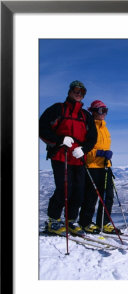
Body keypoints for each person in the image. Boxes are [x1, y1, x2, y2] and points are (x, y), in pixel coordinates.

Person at [39, 80, 97, 236]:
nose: (79, 94)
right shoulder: (58, 109)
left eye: (82, 92)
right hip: (60, 155)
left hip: (77, 156)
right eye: (76, 90)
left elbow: (92, 137)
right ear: (70, 91)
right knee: (65, 188)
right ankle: (53, 221)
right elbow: (42, 128)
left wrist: (84, 149)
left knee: (78, 191)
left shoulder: (85, 115)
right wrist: (60, 140)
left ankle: (70, 220)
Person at [78, 100, 121, 235]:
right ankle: (85, 223)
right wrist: (100, 153)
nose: (104, 113)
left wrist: (106, 155)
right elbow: (85, 148)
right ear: (93, 111)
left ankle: (103, 223)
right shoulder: (89, 127)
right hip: (92, 166)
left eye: (105, 110)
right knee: (91, 197)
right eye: (101, 110)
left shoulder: (104, 127)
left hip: (105, 166)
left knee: (108, 196)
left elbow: (104, 146)